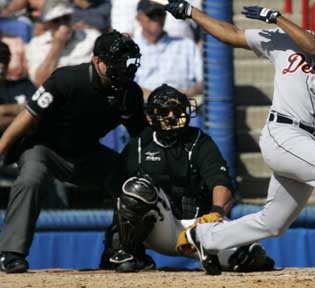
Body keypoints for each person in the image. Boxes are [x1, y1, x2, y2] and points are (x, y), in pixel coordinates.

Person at [163, 0, 315, 275]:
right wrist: (191, 13)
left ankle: (206, 237)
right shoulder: (284, 40)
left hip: (308, 140)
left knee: (273, 223)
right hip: (283, 131)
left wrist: (276, 17)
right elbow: (232, 35)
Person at [0, 30, 147, 273]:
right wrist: (2, 147)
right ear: (97, 61)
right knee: (30, 179)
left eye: (125, 61)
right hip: (44, 148)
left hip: (87, 154)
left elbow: (141, 138)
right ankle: (11, 253)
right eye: (115, 61)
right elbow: (28, 115)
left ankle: (119, 250)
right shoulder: (67, 79)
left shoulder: (130, 93)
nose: (122, 67)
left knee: (131, 181)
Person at [103, 84, 274, 273]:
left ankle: (240, 253)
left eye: (176, 110)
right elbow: (117, 191)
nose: (171, 116)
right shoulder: (138, 146)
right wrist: (117, 235)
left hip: (198, 227)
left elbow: (221, 183)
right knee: (137, 188)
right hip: (159, 229)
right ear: (150, 117)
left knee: (246, 258)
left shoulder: (200, 142)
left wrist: (215, 215)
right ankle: (129, 252)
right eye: (164, 111)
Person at [25, 0, 101, 86]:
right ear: (46, 24)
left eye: (66, 18)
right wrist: (57, 46)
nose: (63, 25)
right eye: (56, 20)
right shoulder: (36, 44)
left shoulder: (91, 37)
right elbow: (40, 83)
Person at [134, 0, 202, 100]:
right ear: (139, 18)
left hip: (182, 105)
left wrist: (184, 95)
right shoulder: (131, 48)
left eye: (160, 14)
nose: (156, 19)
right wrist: (159, 98)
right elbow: (126, 84)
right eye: (151, 15)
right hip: (145, 107)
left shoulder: (185, 44)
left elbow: (204, 81)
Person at [0, 42, 35, 135]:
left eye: (4, 60)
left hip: (25, 144)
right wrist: (26, 112)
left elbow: (41, 111)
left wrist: (4, 109)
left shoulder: (24, 85)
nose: (1, 66)